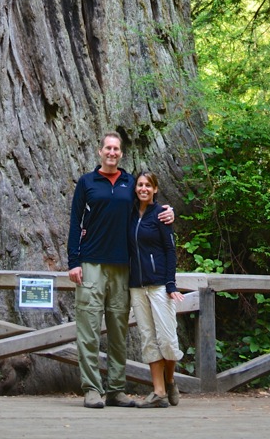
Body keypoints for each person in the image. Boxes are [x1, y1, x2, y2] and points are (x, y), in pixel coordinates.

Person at [67, 132, 175, 410]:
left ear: (121, 154)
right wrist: (73, 261)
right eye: (108, 148)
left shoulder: (129, 183)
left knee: (118, 332)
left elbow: (146, 203)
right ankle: (92, 388)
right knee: (89, 329)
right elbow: (75, 221)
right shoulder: (87, 182)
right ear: (100, 151)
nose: (112, 152)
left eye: (116, 149)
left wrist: (168, 211)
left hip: (122, 266)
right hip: (91, 263)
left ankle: (116, 389)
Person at [129, 170, 183, 407]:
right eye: (139, 185)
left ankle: (170, 380)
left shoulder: (161, 214)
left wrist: (170, 283)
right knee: (148, 338)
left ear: (155, 189)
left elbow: (170, 250)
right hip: (137, 286)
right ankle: (159, 392)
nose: (143, 189)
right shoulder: (129, 215)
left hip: (159, 285)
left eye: (147, 185)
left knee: (168, 339)